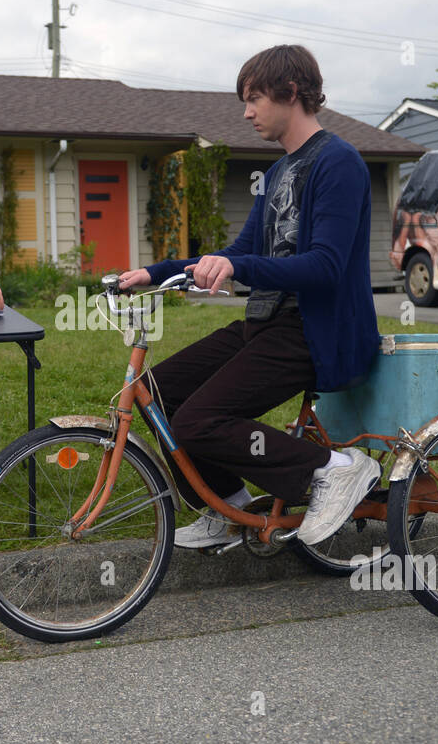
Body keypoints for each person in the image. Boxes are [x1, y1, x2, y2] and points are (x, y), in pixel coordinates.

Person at [117, 44, 381, 549]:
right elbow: (239, 251)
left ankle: (335, 467)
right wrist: (154, 273)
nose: (246, 111)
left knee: (199, 421)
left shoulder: (339, 163)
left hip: (315, 332)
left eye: (255, 98)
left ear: (292, 92)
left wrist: (238, 266)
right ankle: (231, 507)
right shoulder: (281, 171)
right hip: (267, 323)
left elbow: (326, 267)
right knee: (161, 393)